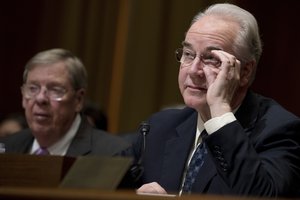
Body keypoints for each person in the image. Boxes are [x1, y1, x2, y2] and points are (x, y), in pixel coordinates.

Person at [127, 3, 300, 198]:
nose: (193, 70)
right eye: (188, 54)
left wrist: (219, 108)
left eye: (211, 59)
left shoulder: (280, 130)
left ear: (245, 71)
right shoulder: (158, 127)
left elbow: (262, 195)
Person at [0, 48, 130, 156]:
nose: (40, 98)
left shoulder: (111, 154)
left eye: (55, 90)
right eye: (33, 88)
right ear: (23, 97)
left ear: (78, 100)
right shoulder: (6, 148)